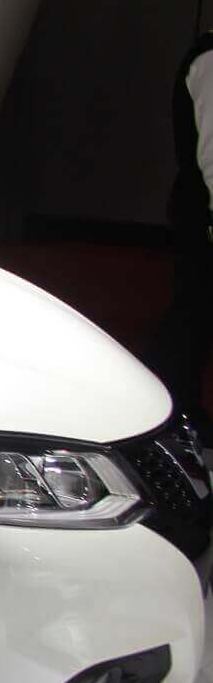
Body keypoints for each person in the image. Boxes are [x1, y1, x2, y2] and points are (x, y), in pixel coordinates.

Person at [153, 30, 213, 440]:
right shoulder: (209, 59)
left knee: (194, 318)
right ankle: (171, 418)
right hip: (203, 215)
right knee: (192, 318)